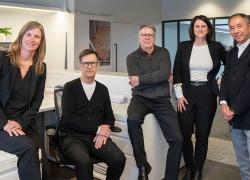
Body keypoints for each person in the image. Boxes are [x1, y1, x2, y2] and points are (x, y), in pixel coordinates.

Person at [126, 25, 183, 180]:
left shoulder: (163, 52)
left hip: (161, 101)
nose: (147, 37)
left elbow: (164, 74)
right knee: (132, 119)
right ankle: (142, 165)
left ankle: (170, 177)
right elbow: (152, 77)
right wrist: (157, 77)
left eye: (150, 35)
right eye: (143, 34)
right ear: (139, 37)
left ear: (154, 37)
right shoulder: (131, 57)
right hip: (140, 99)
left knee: (177, 139)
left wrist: (142, 79)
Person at [173, 15, 226, 180]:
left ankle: (198, 170)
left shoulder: (216, 47)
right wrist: (179, 96)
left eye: (204, 26)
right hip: (186, 95)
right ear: (192, 29)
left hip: (207, 94)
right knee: (185, 134)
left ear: (208, 29)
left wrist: (220, 79)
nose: (200, 29)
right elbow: (177, 73)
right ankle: (189, 167)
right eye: (197, 26)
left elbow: (231, 65)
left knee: (202, 135)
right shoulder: (184, 46)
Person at [60, 49, 126, 180]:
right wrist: (98, 129)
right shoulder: (70, 87)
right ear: (81, 65)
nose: (89, 66)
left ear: (98, 65)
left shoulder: (102, 89)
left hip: (96, 137)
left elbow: (109, 115)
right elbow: (68, 118)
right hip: (73, 137)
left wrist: (105, 128)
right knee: (84, 162)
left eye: (93, 63)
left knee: (118, 159)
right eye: (86, 63)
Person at [0, 21, 47, 180]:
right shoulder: (3, 59)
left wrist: (21, 122)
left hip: (22, 122)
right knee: (28, 148)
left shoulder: (40, 67)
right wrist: (5, 123)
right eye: (28, 34)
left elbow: (37, 99)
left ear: (41, 41)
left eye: (37, 36)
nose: (32, 39)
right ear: (21, 36)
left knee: (43, 158)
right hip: (1, 123)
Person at [220, 13, 250, 180]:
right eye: (232, 28)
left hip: (245, 114)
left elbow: (248, 87)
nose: (236, 31)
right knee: (243, 161)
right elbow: (225, 79)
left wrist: (234, 109)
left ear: (249, 27)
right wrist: (224, 102)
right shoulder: (232, 53)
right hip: (234, 118)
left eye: (239, 26)